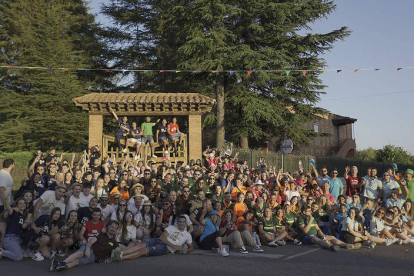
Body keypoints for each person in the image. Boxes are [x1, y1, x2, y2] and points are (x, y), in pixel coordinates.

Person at [50, 220, 121, 271]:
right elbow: (91, 241)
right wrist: (87, 249)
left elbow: (117, 252)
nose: (113, 229)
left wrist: (109, 259)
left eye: (115, 228)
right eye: (112, 227)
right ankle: (63, 263)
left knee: (77, 262)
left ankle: (58, 266)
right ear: (108, 227)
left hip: (94, 257)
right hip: (89, 248)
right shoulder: (101, 234)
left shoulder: (114, 242)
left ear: (117, 230)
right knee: (80, 253)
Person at [0, 159, 15, 247]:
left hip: (4, 204)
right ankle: (2, 248)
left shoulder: (5, 174)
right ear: (12, 165)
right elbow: (2, 191)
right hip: (2, 205)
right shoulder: (3, 175)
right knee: (3, 227)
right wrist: (6, 207)